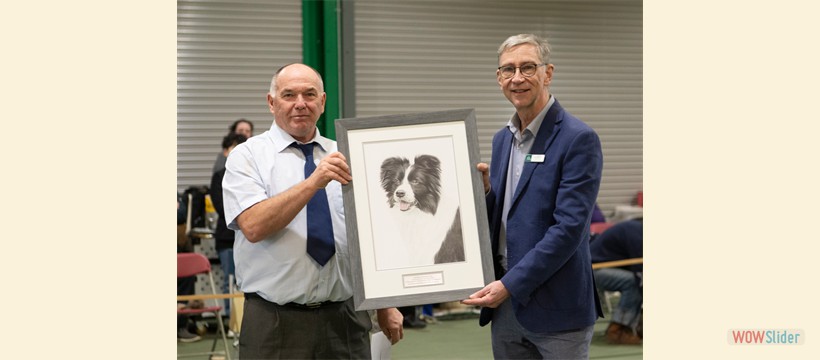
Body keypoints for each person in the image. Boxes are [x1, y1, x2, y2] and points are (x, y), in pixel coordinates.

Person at [222, 63, 403, 359]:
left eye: (309, 94)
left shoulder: (346, 153)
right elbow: (253, 225)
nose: (300, 104)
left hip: (346, 318)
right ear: (271, 102)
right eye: (289, 95)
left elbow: (367, 237)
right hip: (275, 322)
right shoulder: (248, 156)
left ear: (322, 101)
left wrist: (385, 303)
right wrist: (313, 183)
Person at [463, 33, 604, 359]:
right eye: (508, 70)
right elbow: (505, 217)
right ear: (499, 78)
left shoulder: (578, 139)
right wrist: (486, 193)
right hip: (506, 308)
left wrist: (509, 284)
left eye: (528, 68)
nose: (517, 78)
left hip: (557, 308)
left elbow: (568, 229)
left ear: (548, 73)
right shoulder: (502, 140)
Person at [209, 133, 247, 319]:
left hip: (250, 237)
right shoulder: (218, 177)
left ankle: (242, 321)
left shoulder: (251, 174)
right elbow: (222, 207)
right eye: (233, 147)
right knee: (228, 280)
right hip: (226, 238)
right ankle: (229, 319)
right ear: (225, 151)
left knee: (246, 281)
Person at [590, 218, 643, 345]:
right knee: (633, 283)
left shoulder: (637, 229)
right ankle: (617, 330)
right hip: (593, 269)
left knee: (636, 283)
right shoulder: (638, 233)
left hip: (602, 267)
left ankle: (625, 328)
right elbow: (640, 272)